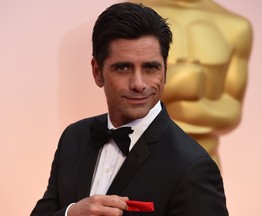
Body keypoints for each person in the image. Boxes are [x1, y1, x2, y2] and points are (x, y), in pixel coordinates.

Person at [31, 2, 228, 216]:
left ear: (165, 71)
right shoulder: (73, 137)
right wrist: (71, 213)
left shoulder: (192, 167)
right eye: (123, 67)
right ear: (97, 72)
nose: (138, 84)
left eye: (150, 67)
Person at [130, 0, 253, 167]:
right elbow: (122, 94)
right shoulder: (134, 17)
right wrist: (179, 81)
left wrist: (186, 105)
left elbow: (232, 110)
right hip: (142, 156)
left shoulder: (236, 26)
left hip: (204, 158)